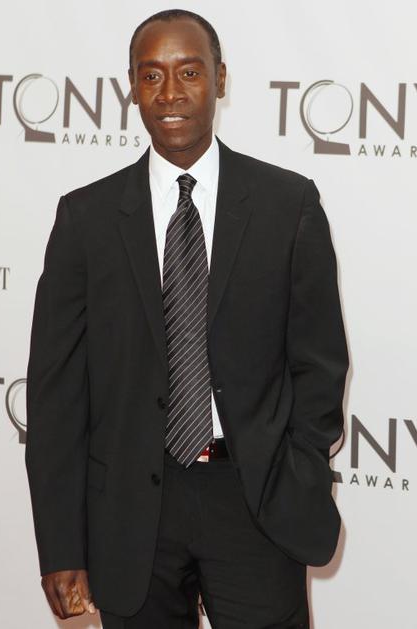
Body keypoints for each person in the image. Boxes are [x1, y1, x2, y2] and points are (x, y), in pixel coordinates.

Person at [25, 9, 349, 629]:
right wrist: (61, 546)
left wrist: (296, 470)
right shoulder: (85, 220)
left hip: (255, 501)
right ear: (131, 87)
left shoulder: (289, 205)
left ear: (220, 79)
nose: (169, 93)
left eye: (189, 72)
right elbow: (56, 397)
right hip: (129, 513)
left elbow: (320, 363)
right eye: (151, 75)